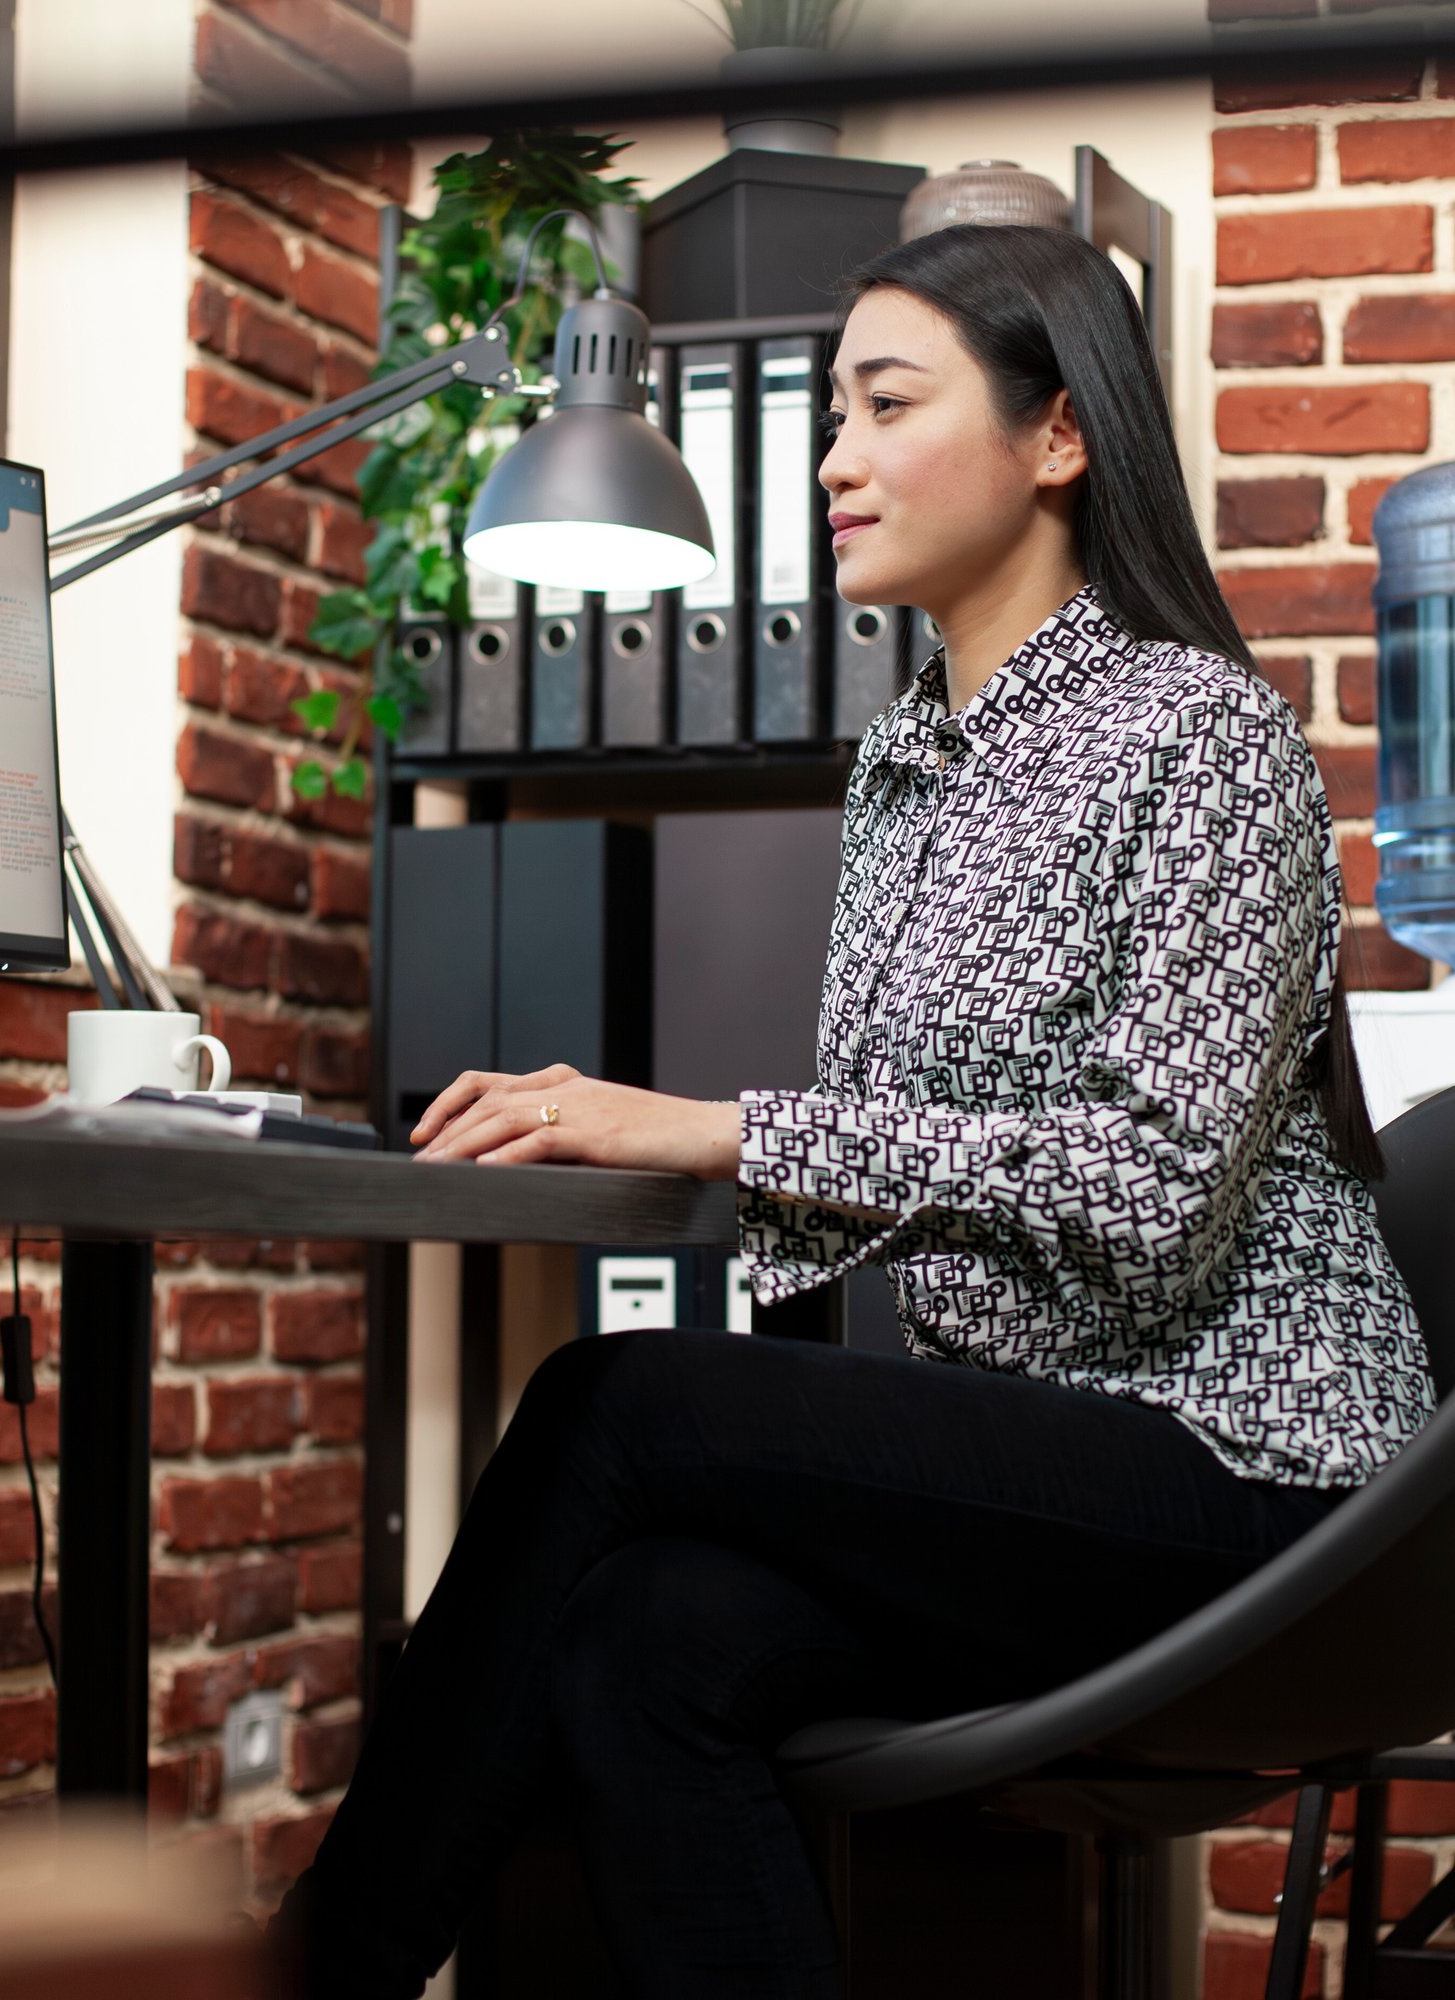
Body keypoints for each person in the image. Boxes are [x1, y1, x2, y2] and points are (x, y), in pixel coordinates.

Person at [258, 224, 1435, 1999]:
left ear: (1058, 440)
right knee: (641, 1640)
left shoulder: (1202, 734)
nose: (831, 458)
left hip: (1256, 1482)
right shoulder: (902, 765)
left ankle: (308, 1978)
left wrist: (721, 1128)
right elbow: (893, 1167)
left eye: (889, 405)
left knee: (612, 1404)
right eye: (830, 413)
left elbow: (1156, 1189)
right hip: (1054, 1458)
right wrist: (655, 1155)